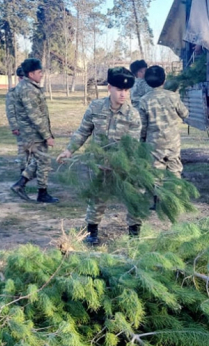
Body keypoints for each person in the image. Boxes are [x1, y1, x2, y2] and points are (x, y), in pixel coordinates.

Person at [56, 67, 141, 245]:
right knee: (97, 198)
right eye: (119, 90)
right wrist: (69, 150)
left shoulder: (133, 115)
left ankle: (135, 234)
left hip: (124, 166)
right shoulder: (95, 107)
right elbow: (83, 131)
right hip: (99, 164)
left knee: (133, 198)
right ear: (109, 88)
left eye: (126, 90)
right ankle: (92, 233)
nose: (123, 94)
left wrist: (121, 163)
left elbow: (132, 146)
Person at [138, 65, 189, 210]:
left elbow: (142, 125)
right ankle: (177, 201)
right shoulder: (173, 97)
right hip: (173, 141)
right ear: (164, 80)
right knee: (174, 169)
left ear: (147, 81)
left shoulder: (144, 100)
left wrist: (142, 141)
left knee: (156, 171)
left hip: (154, 142)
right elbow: (185, 114)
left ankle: (158, 201)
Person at [10, 58, 58, 203]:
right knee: (43, 162)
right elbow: (35, 116)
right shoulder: (27, 90)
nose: (41, 74)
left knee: (38, 161)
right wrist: (47, 136)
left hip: (33, 133)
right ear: (31, 74)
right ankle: (41, 193)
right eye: (39, 72)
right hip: (34, 134)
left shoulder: (29, 87)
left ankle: (21, 184)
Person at [5, 66, 27, 174]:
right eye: (21, 77)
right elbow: (10, 111)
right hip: (21, 126)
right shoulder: (12, 93)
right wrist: (14, 126)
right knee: (22, 149)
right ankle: (23, 171)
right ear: (19, 78)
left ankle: (32, 171)